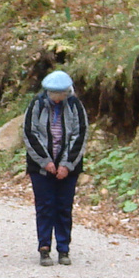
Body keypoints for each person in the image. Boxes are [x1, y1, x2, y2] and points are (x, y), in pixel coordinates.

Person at [23, 69, 88, 266]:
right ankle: (44, 248)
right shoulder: (37, 104)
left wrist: (67, 165)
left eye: (62, 95)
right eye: (55, 95)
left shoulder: (75, 106)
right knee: (45, 207)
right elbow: (30, 133)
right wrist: (46, 161)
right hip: (41, 168)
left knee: (63, 207)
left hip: (68, 167)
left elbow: (80, 134)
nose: (58, 99)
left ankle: (63, 248)